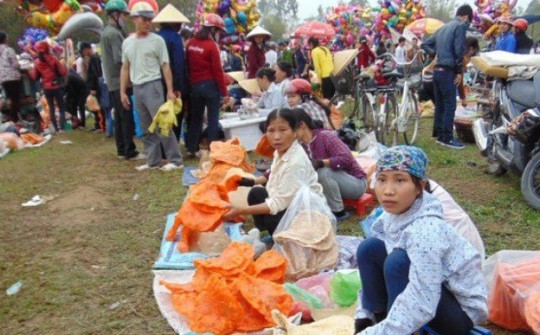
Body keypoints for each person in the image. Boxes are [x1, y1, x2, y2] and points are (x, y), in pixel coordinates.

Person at [354, 145, 488, 335]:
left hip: (458, 312)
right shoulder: (392, 215)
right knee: (370, 248)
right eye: (382, 180)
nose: (388, 191)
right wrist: (363, 317)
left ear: (420, 187)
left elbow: (424, 300)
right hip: (430, 288)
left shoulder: (426, 230)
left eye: (400, 180)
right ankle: (379, 319)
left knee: (398, 262)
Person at [222, 108, 323, 235]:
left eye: (283, 130)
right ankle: (268, 234)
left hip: (307, 214)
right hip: (288, 204)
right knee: (256, 193)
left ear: (295, 131)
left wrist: (241, 210)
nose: (276, 137)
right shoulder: (281, 152)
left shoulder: (296, 162)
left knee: (272, 217)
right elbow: (273, 173)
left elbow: (277, 204)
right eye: (271, 130)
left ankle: (281, 237)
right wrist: (251, 181)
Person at [120, 1, 183, 171]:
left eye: (150, 20)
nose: (148, 23)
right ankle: (153, 161)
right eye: (144, 19)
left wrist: (169, 90)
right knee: (145, 126)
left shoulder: (157, 40)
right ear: (134, 19)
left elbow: (165, 66)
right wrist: (122, 92)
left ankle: (175, 159)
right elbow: (125, 67)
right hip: (137, 87)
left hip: (153, 85)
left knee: (162, 123)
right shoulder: (127, 43)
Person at [294, 109, 367, 221]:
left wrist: (322, 162)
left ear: (302, 125)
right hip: (336, 184)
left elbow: (346, 158)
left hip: (356, 184)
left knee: (323, 172)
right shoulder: (300, 146)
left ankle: (338, 212)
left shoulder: (325, 136)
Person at [421, 5, 472, 149]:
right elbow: (458, 50)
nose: (468, 26)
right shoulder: (460, 27)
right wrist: (458, 71)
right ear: (466, 16)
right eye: (469, 22)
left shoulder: (443, 28)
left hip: (437, 71)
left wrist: (436, 54)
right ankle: (447, 138)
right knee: (450, 105)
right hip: (448, 71)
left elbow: (425, 44)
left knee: (440, 105)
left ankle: (438, 135)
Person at [185, 13, 229, 158]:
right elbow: (218, 71)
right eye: (219, 31)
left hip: (195, 86)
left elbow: (187, 66)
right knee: (213, 119)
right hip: (210, 87)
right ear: (213, 29)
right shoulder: (212, 46)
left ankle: (191, 148)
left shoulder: (190, 43)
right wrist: (225, 93)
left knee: (195, 118)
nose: (219, 35)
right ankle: (213, 150)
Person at [101, 0, 140, 159]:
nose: (125, 18)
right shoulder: (114, 33)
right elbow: (121, 59)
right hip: (120, 82)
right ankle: (129, 150)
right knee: (126, 117)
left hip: (113, 82)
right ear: (115, 15)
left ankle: (122, 149)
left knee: (119, 116)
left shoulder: (108, 31)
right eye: (124, 15)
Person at [154, 4, 189, 142]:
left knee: (159, 115)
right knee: (174, 116)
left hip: (156, 83)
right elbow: (179, 65)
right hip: (172, 83)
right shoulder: (175, 38)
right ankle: (171, 147)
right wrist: (178, 88)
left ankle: (161, 147)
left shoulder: (154, 37)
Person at [30, 41, 68, 132]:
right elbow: (63, 72)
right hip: (57, 86)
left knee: (51, 108)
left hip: (47, 88)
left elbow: (34, 77)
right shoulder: (54, 60)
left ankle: (55, 128)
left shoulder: (37, 63)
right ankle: (62, 127)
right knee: (61, 107)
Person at [80, 42, 105, 131]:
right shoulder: (92, 59)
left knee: (99, 107)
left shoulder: (94, 59)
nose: (84, 53)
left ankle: (101, 125)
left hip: (96, 88)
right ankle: (98, 124)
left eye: (83, 51)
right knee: (95, 106)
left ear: (87, 49)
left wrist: (94, 88)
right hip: (94, 87)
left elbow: (96, 75)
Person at [0, 31, 22, 123]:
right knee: (15, 99)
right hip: (12, 77)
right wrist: (20, 67)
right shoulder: (9, 50)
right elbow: (15, 64)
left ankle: (11, 118)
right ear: (5, 39)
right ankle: (15, 120)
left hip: (3, 79)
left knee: (9, 99)